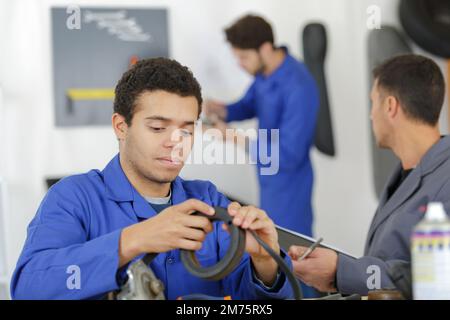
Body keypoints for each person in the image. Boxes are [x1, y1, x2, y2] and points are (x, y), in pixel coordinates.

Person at [11, 58, 294, 300]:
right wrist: (132, 240)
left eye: (186, 130)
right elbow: (28, 288)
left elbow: (253, 298)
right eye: (158, 127)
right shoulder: (73, 197)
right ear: (121, 127)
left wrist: (264, 260)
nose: (175, 142)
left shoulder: (207, 199)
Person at [289, 54, 450, 295]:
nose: (371, 114)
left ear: (390, 106)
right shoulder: (406, 172)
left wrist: (341, 272)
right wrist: (336, 272)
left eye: (373, 102)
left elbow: (438, 279)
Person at [205, 15, 319, 236]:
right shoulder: (263, 75)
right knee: (267, 239)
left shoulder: (299, 86)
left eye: (244, 57)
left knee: (289, 247)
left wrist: (235, 138)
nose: (240, 65)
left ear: (265, 49)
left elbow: (288, 155)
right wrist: (222, 110)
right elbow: (249, 105)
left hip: (290, 185)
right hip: (267, 179)